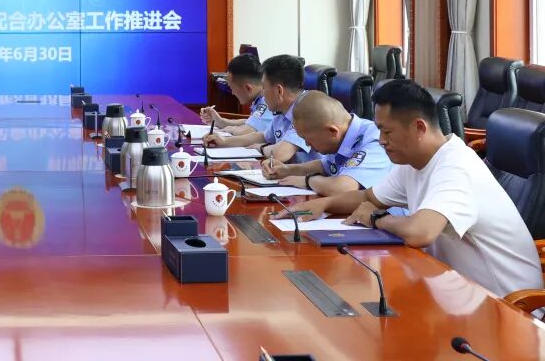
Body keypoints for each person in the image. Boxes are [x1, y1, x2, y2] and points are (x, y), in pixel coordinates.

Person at [277, 79, 541, 299]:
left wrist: (377, 218)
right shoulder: (414, 161)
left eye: (387, 132)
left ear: (419, 127)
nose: (381, 141)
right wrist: (322, 205)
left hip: (506, 306)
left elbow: (420, 232)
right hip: (454, 290)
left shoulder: (456, 167)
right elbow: (368, 196)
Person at [258, 90, 392, 195]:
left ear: (332, 131)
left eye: (309, 140)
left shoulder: (374, 141)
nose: (307, 145)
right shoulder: (341, 136)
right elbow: (325, 165)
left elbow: (343, 187)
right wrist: (287, 170)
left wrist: (308, 181)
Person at [204, 54, 315, 164]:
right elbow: (262, 136)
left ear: (279, 91)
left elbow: (280, 153)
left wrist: (261, 148)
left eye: (264, 87)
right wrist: (224, 141)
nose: (262, 92)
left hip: (310, 174)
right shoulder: (282, 109)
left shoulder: (306, 110)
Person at [199, 53, 274, 137]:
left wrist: (230, 130)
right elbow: (250, 121)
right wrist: (220, 121)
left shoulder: (267, 100)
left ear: (248, 88)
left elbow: (247, 131)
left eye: (232, 88)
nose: (232, 93)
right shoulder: (259, 98)